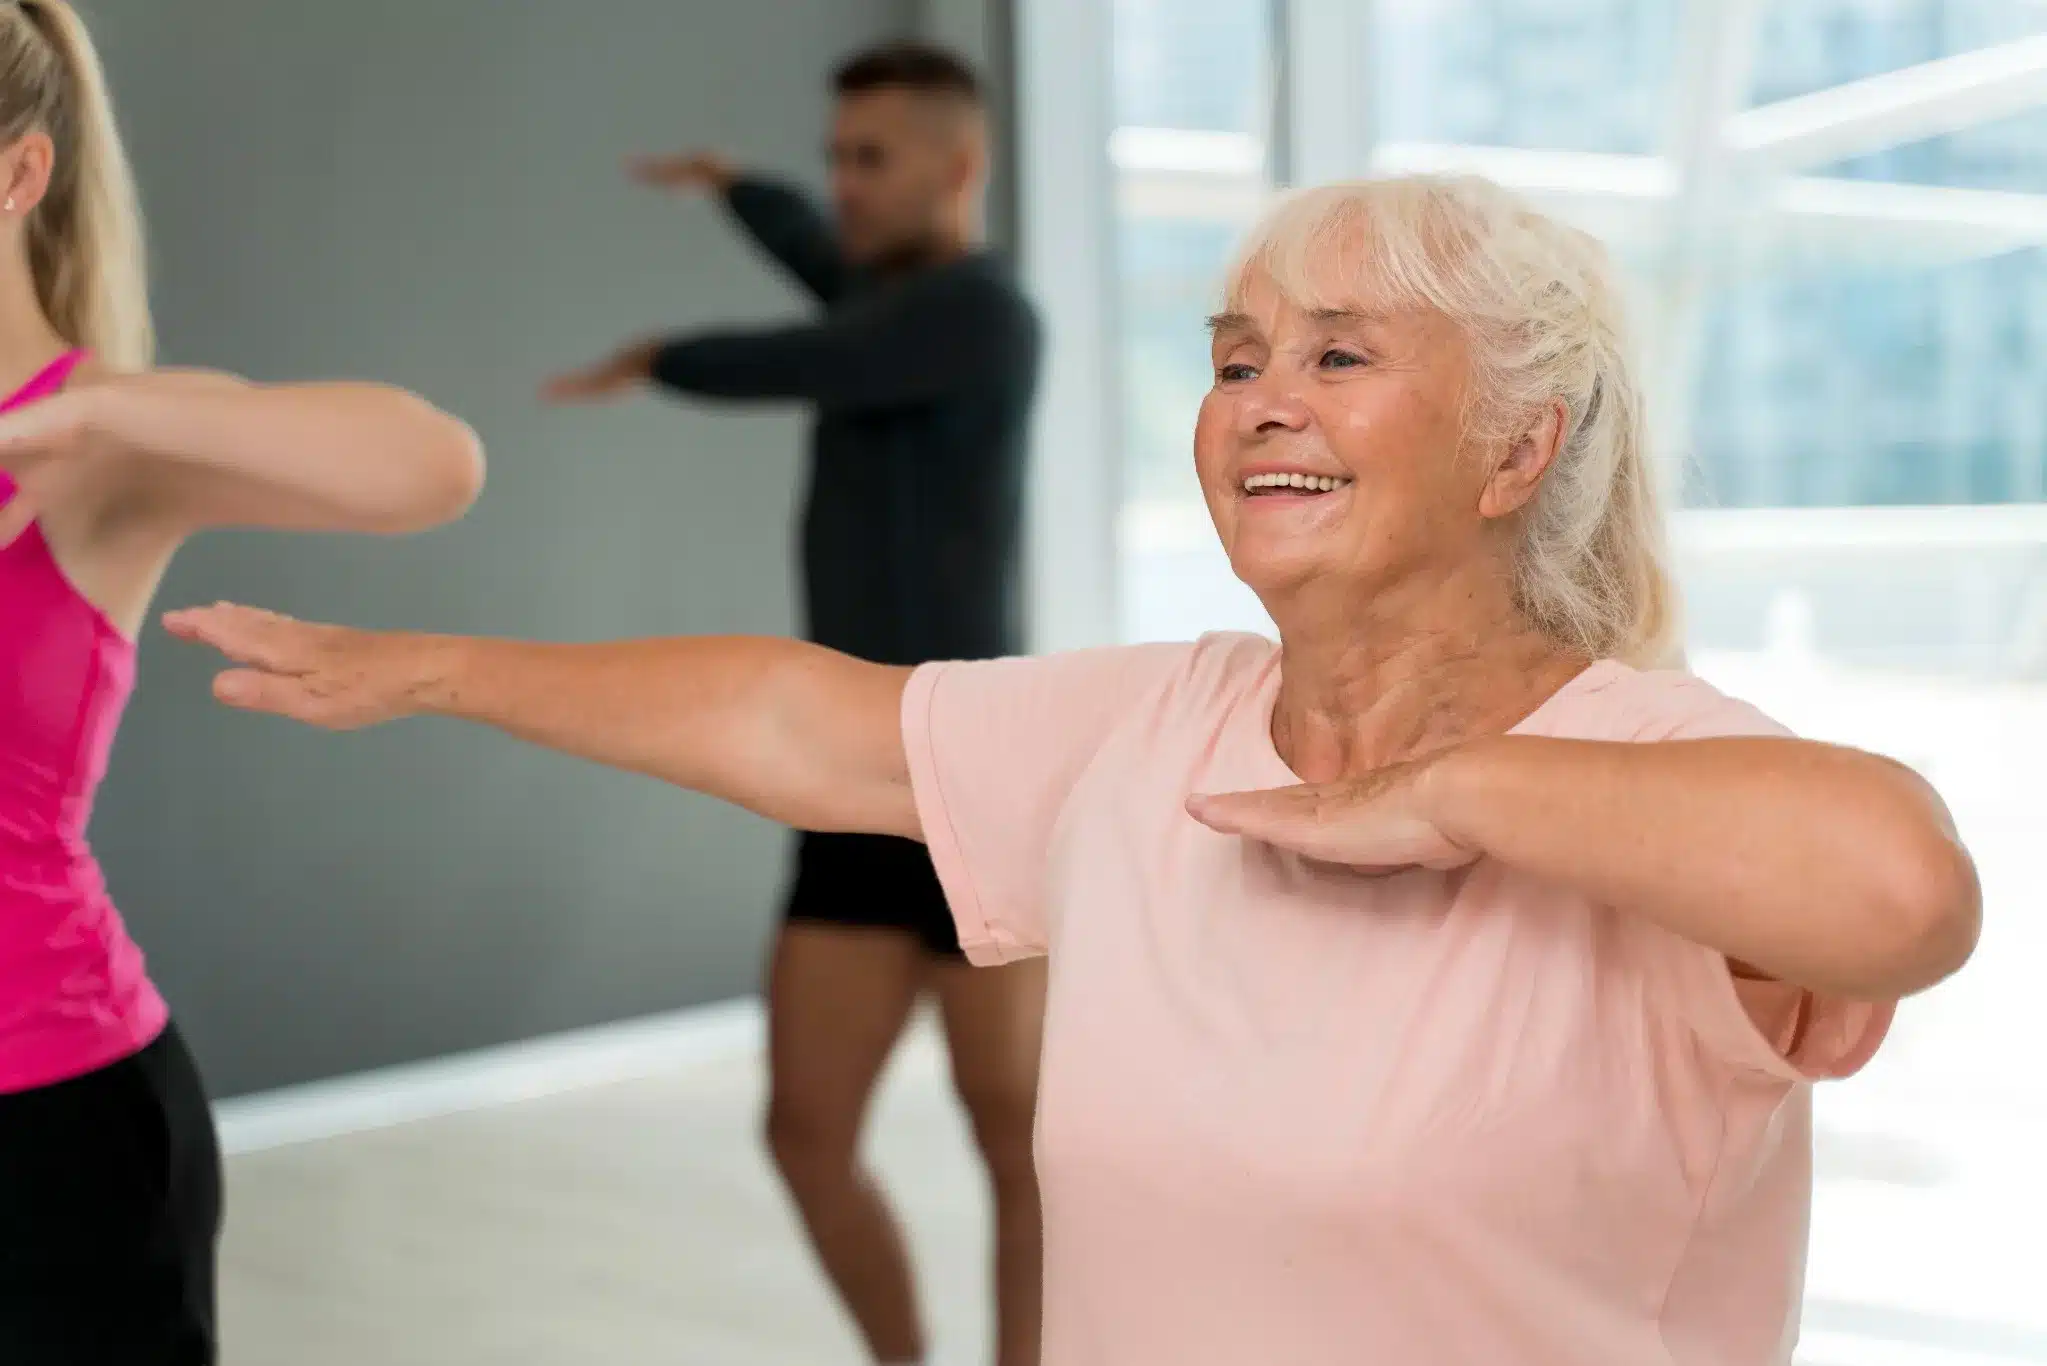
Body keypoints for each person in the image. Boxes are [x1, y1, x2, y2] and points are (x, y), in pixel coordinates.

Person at [168, 172, 1981, 1365]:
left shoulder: (1654, 769)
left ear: (1519, 448)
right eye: (1234, 359)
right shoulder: (1153, 730)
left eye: (1339, 356)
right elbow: (802, 720)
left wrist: (1446, 794)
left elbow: (1900, 887)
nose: (1263, 396)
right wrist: (438, 667)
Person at [540, 40, 1044, 1366]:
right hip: (845, 778)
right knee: (805, 1132)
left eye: (868, 160)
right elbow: (823, 270)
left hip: (981, 781)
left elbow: (807, 350)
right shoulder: (876, 300)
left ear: (960, 165)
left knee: (1023, 1142)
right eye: (834, 159)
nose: (843, 186)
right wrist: (740, 188)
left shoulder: (981, 314)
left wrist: (659, 352)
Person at [0, 4, 485, 1362]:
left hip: (43, 1129)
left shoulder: (98, 450)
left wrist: (94, 412)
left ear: (16, 174)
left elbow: (428, 464)